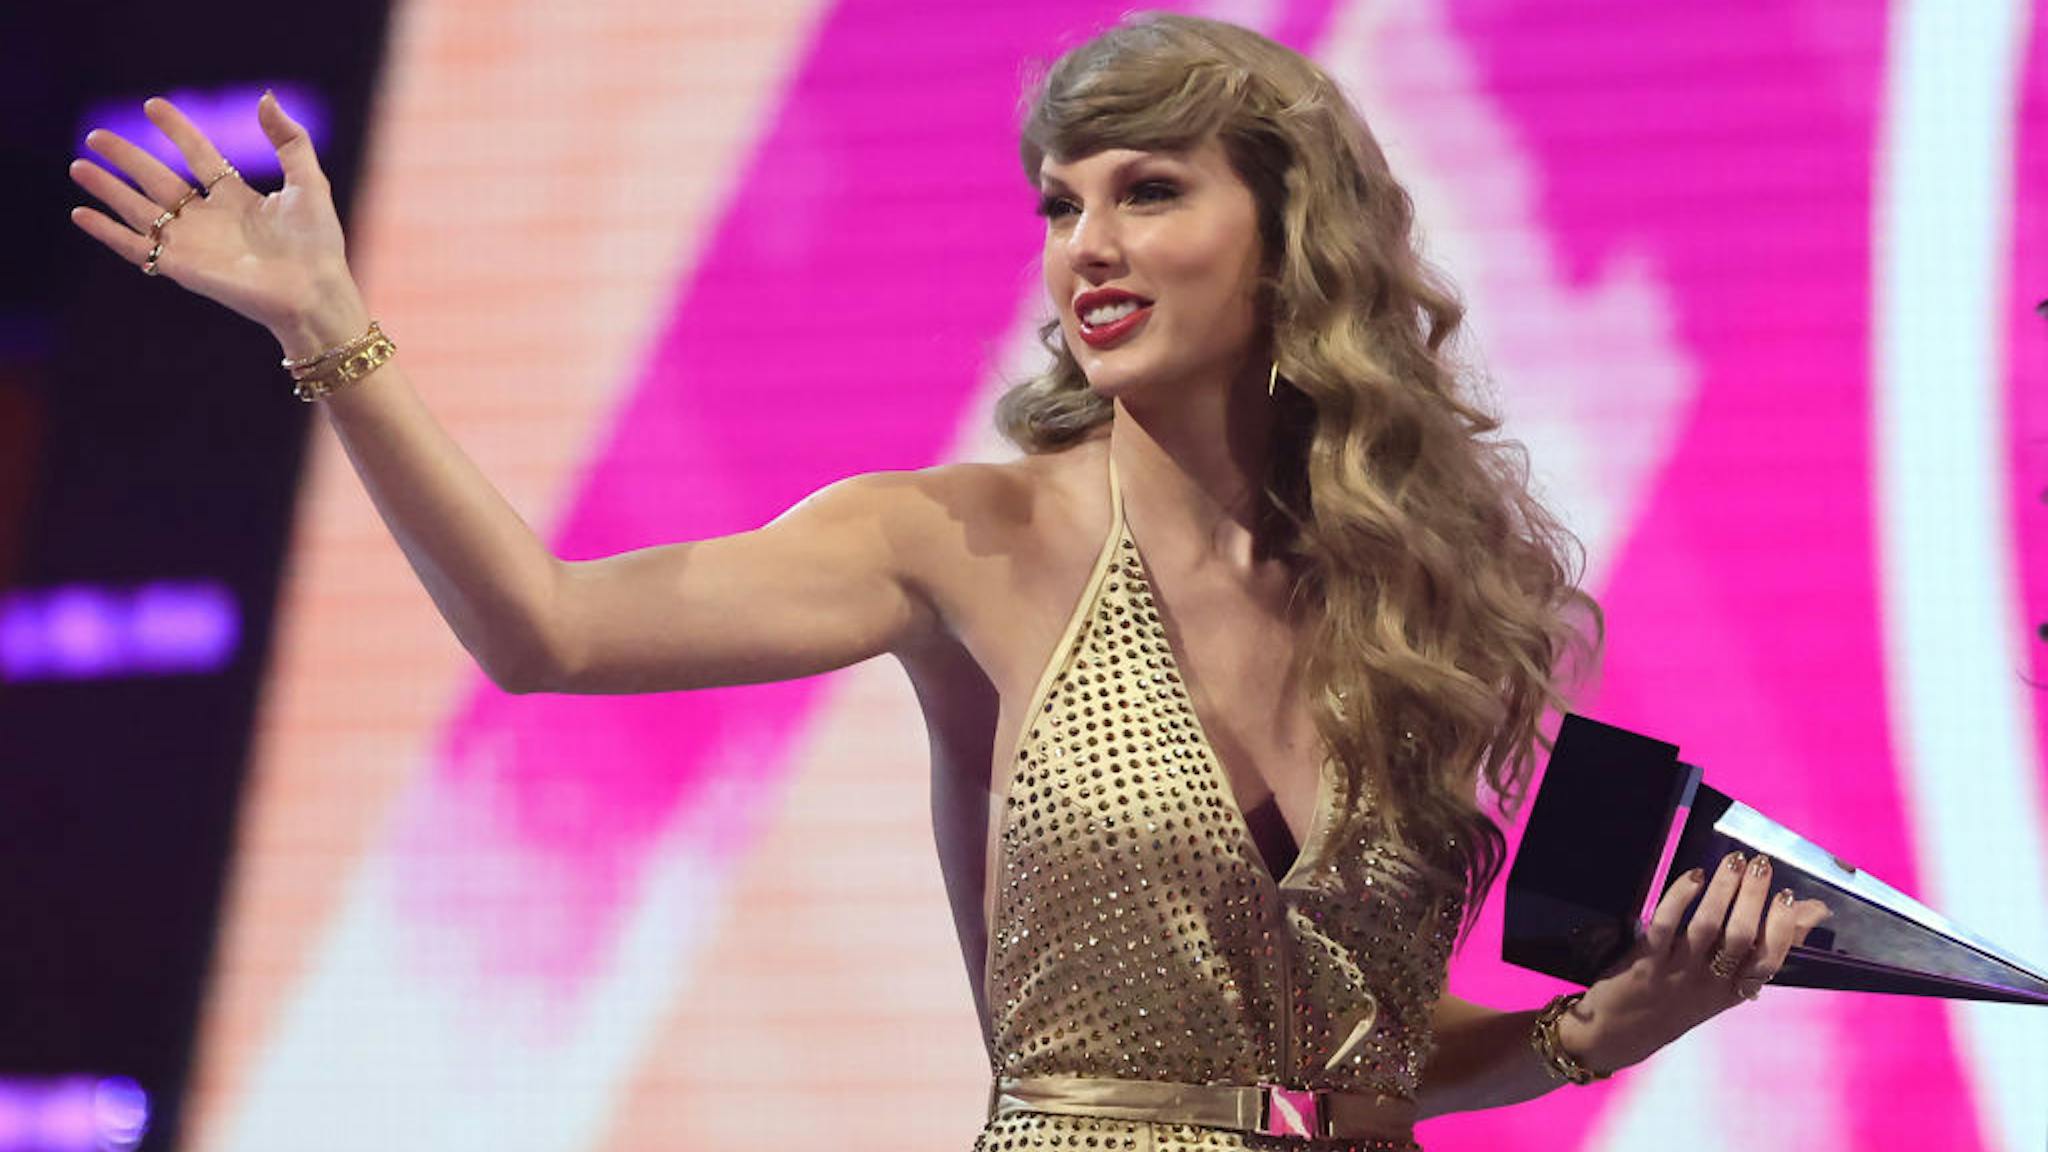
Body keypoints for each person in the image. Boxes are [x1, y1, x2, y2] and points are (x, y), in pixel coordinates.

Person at [68, 13, 1829, 1151]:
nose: (1090, 248)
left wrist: (1604, 1027)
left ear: (1297, 238)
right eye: (1062, 205)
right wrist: (332, 335)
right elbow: (546, 632)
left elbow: (1358, 1065)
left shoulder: (1415, 607)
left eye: (1149, 192)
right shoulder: (953, 539)